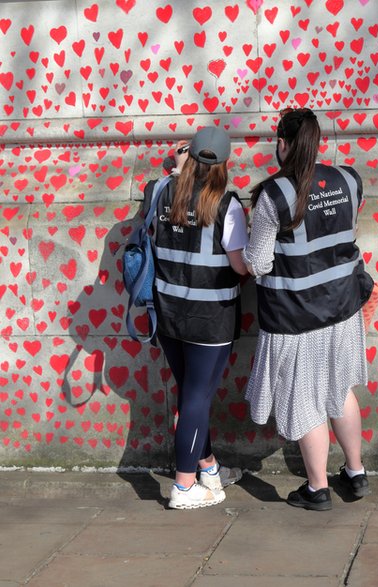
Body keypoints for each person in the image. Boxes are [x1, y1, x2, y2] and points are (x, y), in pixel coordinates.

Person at [244, 107, 373, 511]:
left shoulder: (273, 194)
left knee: (305, 399)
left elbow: (258, 263)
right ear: (318, 144)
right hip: (343, 308)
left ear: (282, 144)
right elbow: (347, 231)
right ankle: (355, 472)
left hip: (296, 316)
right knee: (340, 389)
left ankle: (317, 489)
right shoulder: (349, 179)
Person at [147, 127, 248, 509]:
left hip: (169, 313)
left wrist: (176, 170)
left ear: (188, 155)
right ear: (223, 163)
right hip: (211, 318)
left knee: (191, 396)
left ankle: (208, 468)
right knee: (195, 399)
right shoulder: (228, 203)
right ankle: (184, 487)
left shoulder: (158, 191)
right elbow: (240, 266)